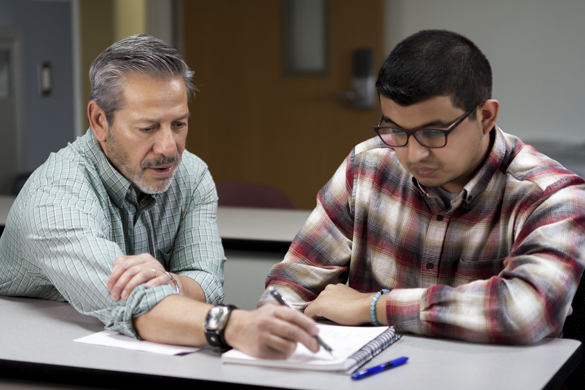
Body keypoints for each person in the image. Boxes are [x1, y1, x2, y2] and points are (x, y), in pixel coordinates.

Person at [0, 34, 319, 358]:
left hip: (128, 349)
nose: (169, 148)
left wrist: (172, 281)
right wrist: (233, 326)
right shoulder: (55, 198)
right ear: (99, 121)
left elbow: (207, 283)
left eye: (178, 124)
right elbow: (132, 302)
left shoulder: (191, 176)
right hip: (35, 358)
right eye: (148, 128)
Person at [259, 29, 585, 344]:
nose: (414, 154)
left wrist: (374, 306)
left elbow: (526, 312)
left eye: (434, 133)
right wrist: (275, 328)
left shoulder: (551, 194)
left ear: (486, 116)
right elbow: (293, 283)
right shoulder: (366, 166)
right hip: (369, 374)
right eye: (397, 130)